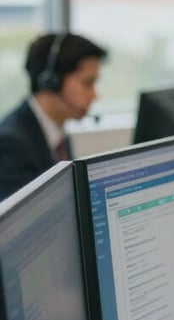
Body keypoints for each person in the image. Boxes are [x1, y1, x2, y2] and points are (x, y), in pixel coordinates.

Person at [0, 31, 107, 200]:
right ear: (51, 81)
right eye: (87, 83)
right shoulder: (12, 144)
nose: (95, 95)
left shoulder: (56, 132)